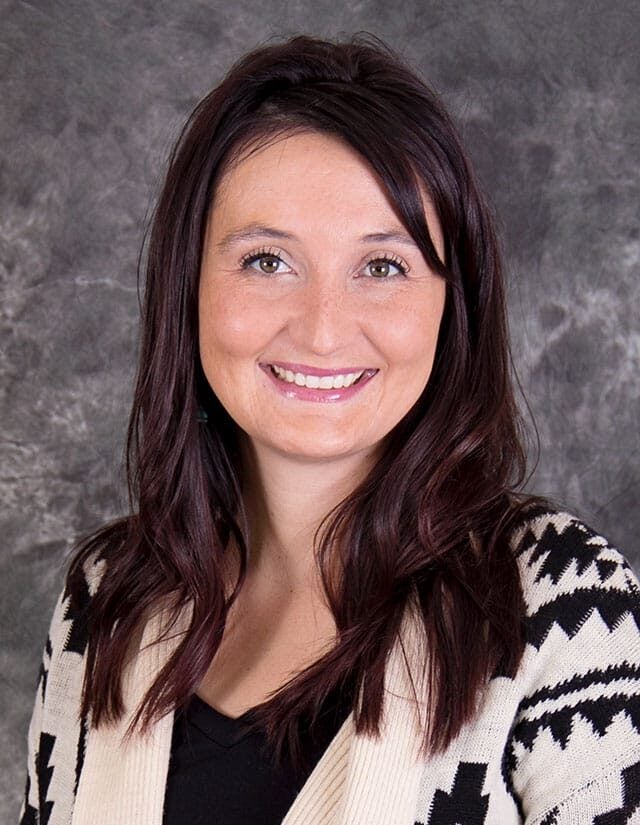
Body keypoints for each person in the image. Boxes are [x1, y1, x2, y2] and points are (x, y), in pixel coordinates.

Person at [19, 33, 640, 825]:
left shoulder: (557, 609)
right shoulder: (105, 599)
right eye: (267, 260)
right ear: (189, 284)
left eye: (383, 266)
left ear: (454, 305)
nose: (321, 330)